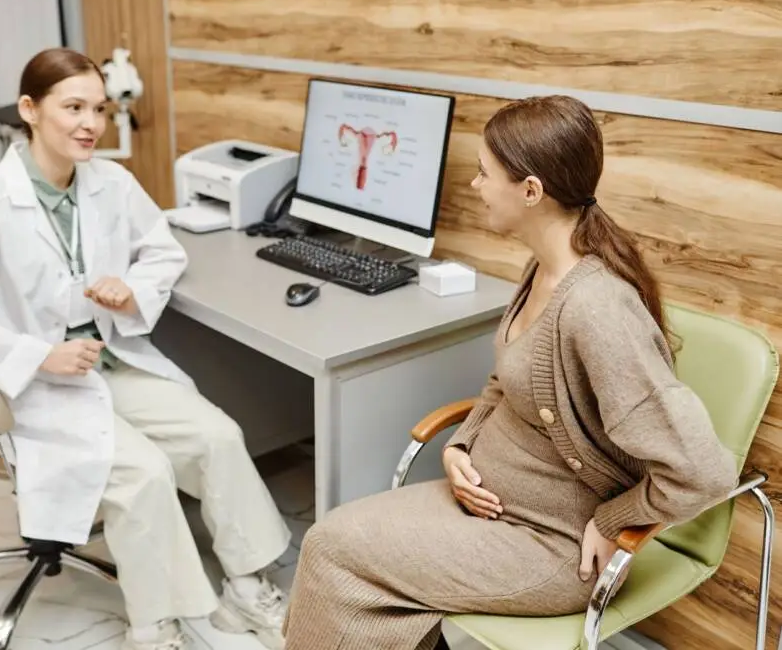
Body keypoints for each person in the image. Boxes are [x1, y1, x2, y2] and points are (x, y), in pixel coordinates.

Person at [281, 95, 740, 650]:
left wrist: (613, 519)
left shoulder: (597, 308)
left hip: (551, 544)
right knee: (334, 547)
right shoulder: (542, 268)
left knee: (331, 551)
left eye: (482, 173)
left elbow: (704, 472)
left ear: (530, 191)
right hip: (489, 508)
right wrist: (461, 448)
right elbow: (505, 382)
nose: (474, 186)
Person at [0, 48, 292, 650]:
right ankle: (154, 627)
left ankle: (247, 587)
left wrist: (128, 288)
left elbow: (162, 251)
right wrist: (36, 355)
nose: (90, 124)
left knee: (218, 437)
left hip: (113, 361)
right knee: (145, 476)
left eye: (100, 110)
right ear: (29, 111)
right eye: (73, 107)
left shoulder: (112, 181)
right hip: (36, 386)